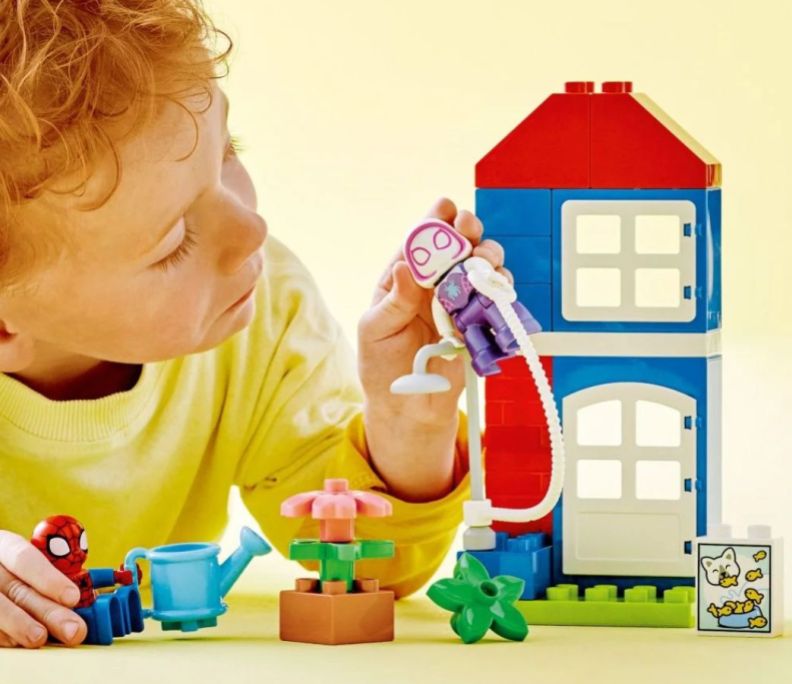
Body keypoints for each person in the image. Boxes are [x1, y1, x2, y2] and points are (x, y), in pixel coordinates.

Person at [0, 0, 507, 648]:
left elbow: (373, 571)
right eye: (174, 241)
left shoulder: (263, 311)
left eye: (228, 155)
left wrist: (409, 419)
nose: (251, 231)